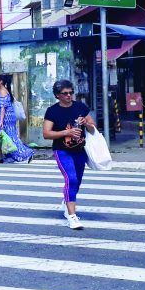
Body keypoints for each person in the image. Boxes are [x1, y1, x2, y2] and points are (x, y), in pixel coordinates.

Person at [43, 79, 96, 230]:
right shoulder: (52, 111)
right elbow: (46, 134)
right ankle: (72, 216)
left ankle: (67, 201)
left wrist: (86, 123)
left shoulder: (80, 107)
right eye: (65, 93)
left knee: (77, 181)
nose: (69, 96)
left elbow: (93, 129)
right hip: (62, 150)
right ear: (57, 95)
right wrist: (67, 132)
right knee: (71, 179)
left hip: (79, 150)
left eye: (71, 92)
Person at [0, 73, 34, 164]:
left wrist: (1, 121)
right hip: (5, 118)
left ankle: (26, 153)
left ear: (1, 82)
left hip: (5, 119)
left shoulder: (3, 91)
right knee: (2, 137)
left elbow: (3, 108)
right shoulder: (3, 91)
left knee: (9, 138)